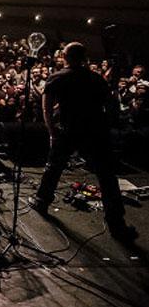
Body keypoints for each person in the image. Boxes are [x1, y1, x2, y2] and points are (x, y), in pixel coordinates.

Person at [29, 42, 138, 241]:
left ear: (65, 56)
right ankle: (117, 224)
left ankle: (42, 201)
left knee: (54, 167)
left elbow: (46, 109)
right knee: (107, 177)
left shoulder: (57, 77)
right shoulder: (96, 78)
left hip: (69, 129)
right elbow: (110, 103)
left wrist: (52, 133)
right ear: (84, 58)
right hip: (94, 130)